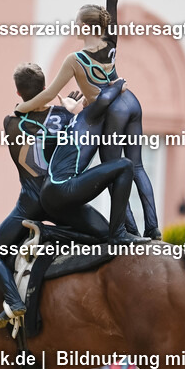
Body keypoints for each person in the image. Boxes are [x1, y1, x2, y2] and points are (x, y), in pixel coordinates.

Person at [14, 0, 159, 239]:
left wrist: (22, 108)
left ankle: (127, 229)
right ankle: (154, 227)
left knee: (114, 170)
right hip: (131, 101)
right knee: (139, 166)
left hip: (111, 109)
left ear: (87, 27)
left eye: (78, 23)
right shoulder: (110, 37)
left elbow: (47, 93)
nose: (75, 26)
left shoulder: (75, 60)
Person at [0, 62, 110, 329]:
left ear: (18, 94)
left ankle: (14, 301)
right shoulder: (67, 118)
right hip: (61, 203)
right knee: (108, 236)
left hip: (28, 206)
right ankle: (54, 235)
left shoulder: (10, 123)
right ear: (46, 88)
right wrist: (68, 112)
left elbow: (29, 117)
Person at [39, 78, 143, 246]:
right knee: (125, 165)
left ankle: (47, 232)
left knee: (103, 235)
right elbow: (104, 99)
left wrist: (69, 109)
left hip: (52, 196)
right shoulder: (90, 115)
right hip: (62, 188)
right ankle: (119, 233)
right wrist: (118, 84)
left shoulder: (77, 119)